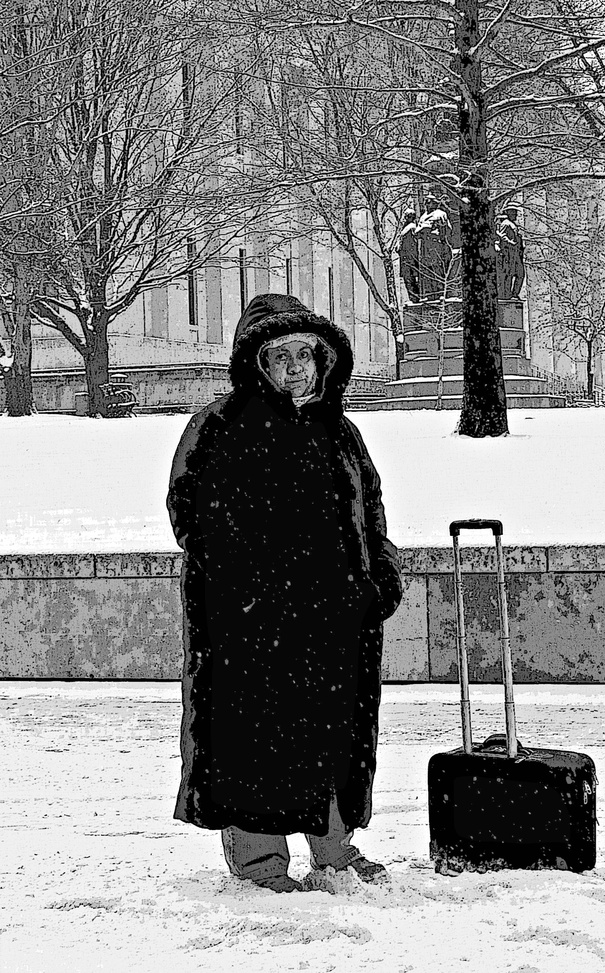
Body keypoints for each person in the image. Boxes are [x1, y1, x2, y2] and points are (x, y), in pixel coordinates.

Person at [167, 293, 404, 893]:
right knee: (252, 744)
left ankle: (334, 849)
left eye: (307, 354)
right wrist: (249, 592)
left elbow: (369, 513)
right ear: (256, 362)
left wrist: (379, 580)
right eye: (281, 355)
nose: (297, 367)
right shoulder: (221, 426)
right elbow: (193, 516)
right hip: (253, 625)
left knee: (330, 736)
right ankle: (260, 865)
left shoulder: (340, 432)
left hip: (333, 619)